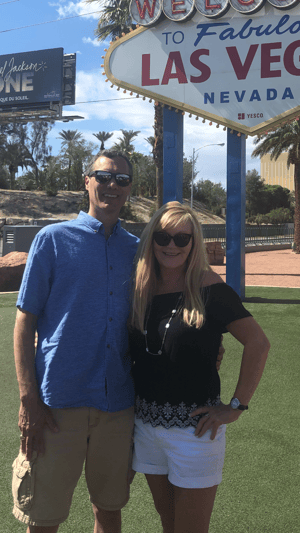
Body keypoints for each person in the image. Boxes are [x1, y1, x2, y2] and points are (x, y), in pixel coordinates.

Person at [12, 150, 139, 533]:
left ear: (130, 189)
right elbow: (24, 322)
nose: (111, 186)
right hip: (56, 406)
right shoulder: (51, 239)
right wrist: (27, 398)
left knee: (109, 509)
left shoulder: (136, 249)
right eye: (103, 176)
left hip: (117, 405)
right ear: (87, 181)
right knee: (43, 518)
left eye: (121, 180)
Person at [128, 201, 270, 533]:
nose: (172, 246)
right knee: (168, 523)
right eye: (163, 237)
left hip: (194, 433)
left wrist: (235, 406)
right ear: (152, 240)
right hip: (146, 427)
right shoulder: (142, 287)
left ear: (194, 243)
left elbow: (258, 343)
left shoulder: (209, 289)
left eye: (182, 238)